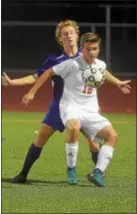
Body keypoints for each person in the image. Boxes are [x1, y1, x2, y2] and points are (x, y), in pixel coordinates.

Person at [22, 32, 131, 187]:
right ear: (82, 48)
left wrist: (118, 83)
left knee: (112, 136)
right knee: (73, 127)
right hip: (70, 107)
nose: (92, 53)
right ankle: (71, 169)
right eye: (88, 49)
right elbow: (48, 72)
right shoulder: (71, 64)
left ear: (99, 49)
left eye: (95, 49)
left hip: (90, 110)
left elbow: (103, 72)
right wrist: (32, 92)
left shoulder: (100, 65)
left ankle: (98, 172)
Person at [2, 20, 101, 184]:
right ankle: (23, 174)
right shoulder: (54, 59)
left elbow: (95, 79)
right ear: (60, 39)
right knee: (40, 139)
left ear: (77, 36)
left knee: (93, 143)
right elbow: (35, 77)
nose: (68, 36)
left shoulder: (87, 57)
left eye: (71, 32)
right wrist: (12, 82)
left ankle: (99, 174)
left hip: (81, 108)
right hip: (59, 107)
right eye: (65, 34)